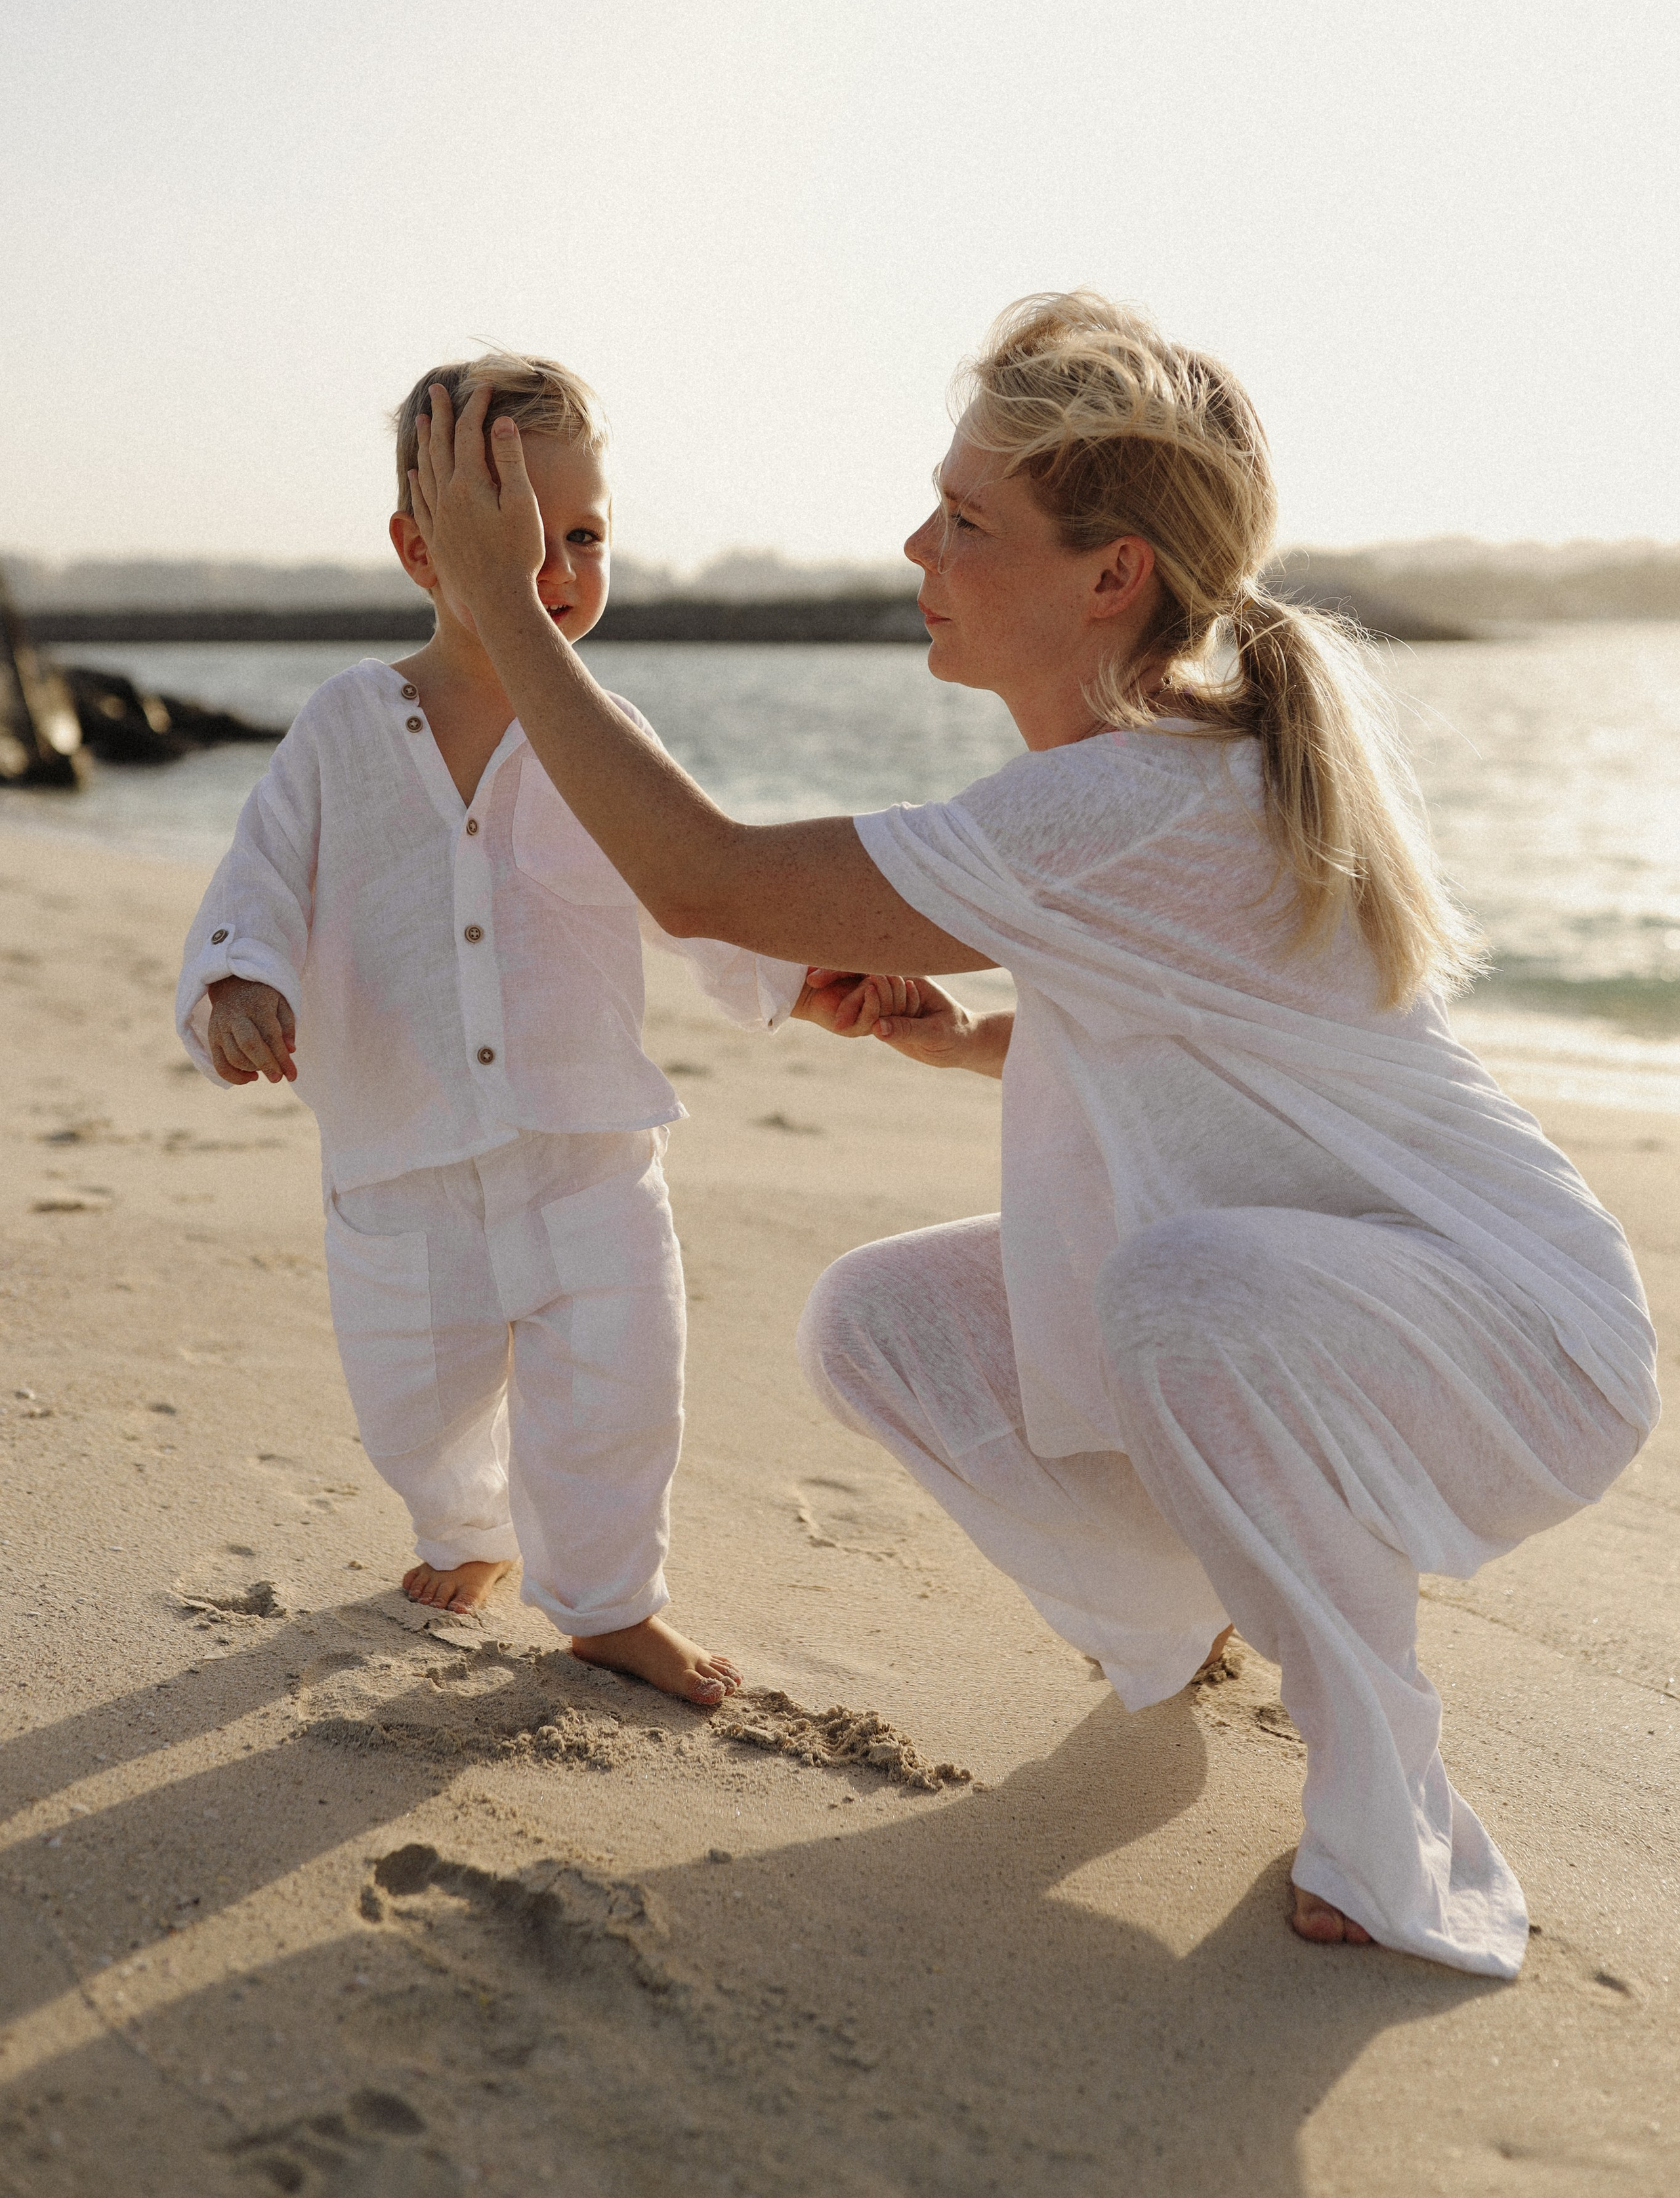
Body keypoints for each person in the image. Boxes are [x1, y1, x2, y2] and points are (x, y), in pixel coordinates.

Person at [404, 294, 1656, 1976]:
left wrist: (500, 605)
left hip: (1522, 1337)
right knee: (886, 1321)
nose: (917, 541)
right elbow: (1231, 1081)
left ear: (1110, 575)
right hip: (1372, 1305)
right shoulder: (1139, 782)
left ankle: (1387, 1814)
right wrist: (978, 1044)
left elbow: (701, 875)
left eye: (967, 520)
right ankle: (1187, 1603)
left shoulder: (1127, 798)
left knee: (1180, 1295)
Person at [175, 351, 813, 1707]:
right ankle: (464, 1525)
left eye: (584, 536)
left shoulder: (600, 731)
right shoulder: (346, 726)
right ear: (421, 547)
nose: (561, 567)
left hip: (587, 1142)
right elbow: (257, 880)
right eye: (523, 536)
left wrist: (814, 976)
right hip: (399, 1159)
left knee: (619, 1386)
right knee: (414, 1402)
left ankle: (606, 1602)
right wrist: (239, 984)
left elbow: (693, 885)